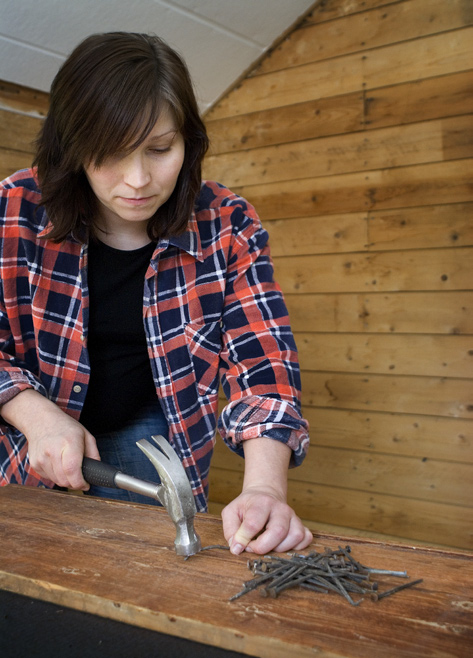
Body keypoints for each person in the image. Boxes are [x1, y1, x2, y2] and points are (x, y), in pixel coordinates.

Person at [0, 32, 312, 555]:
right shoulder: (14, 209)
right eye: (110, 154)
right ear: (72, 147)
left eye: (160, 149)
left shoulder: (227, 224)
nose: (139, 179)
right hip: (23, 426)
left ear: (189, 141)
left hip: (149, 429)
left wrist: (265, 488)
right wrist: (36, 415)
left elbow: (265, 369)